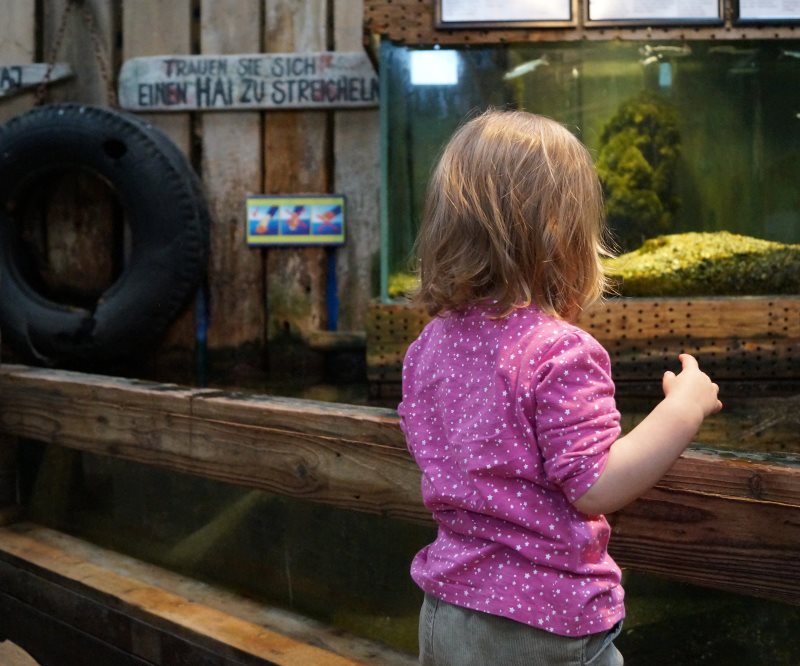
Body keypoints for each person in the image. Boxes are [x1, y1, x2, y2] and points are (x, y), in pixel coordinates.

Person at [397, 109, 722, 666]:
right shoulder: (559, 350)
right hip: (543, 623)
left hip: (446, 611)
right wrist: (685, 408)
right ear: (563, 233)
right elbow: (595, 485)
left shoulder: (430, 344)